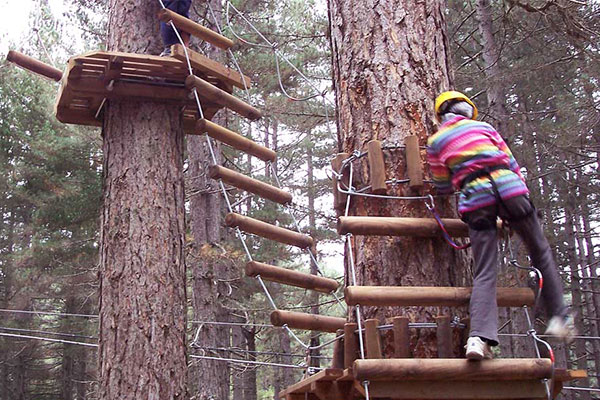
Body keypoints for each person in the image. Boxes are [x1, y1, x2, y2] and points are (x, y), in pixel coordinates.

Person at [426, 91, 574, 360]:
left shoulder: (436, 141)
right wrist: (514, 205)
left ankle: (478, 339)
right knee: (540, 252)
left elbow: (443, 185)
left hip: (477, 199)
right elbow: (513, 165)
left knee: (484, 271)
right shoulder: (485, 128)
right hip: (511, 189)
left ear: (441, 116)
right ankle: (560, 317)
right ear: (467, 111)